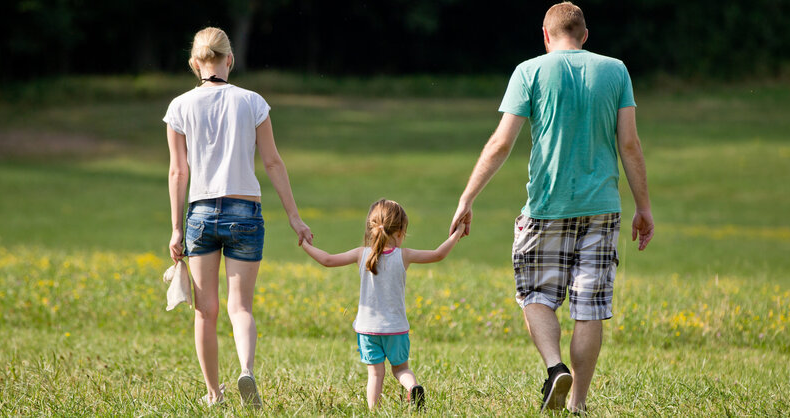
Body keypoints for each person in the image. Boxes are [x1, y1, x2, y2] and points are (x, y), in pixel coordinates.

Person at [449, 2, 654, 414]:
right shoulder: (616, 70)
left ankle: (554, 366)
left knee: (535, 295)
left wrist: (467, 197)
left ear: (545, 35)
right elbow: (629, 145)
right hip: (603, 208)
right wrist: (643, 207)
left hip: (546, 206)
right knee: (589, 306)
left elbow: (500, 144)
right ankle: (577, 403)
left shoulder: (529, 71)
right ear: (585, 35)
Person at [164, 27, 313, 408]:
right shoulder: (252, 101)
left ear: (195, 63)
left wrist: (177, 228)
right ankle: (246, 370)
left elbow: (178, 172)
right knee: (240, 307)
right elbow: (273, 162)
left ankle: (214, 394)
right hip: (245, 211)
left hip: (200, 213)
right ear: (229, 59)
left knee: (206, 311)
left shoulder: (180, 106)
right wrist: (295, 218)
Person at [301, 199, 465, 410]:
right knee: (400, 370)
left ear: (371, 228)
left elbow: (327, 260)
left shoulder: (361, 254)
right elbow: (438, 254)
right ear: (400, 231)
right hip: (396, 329)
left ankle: (373, 412)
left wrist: (305, 244)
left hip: (368, 330)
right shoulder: (404, 256)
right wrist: (458, 232)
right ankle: (413, 386)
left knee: (375, 373)